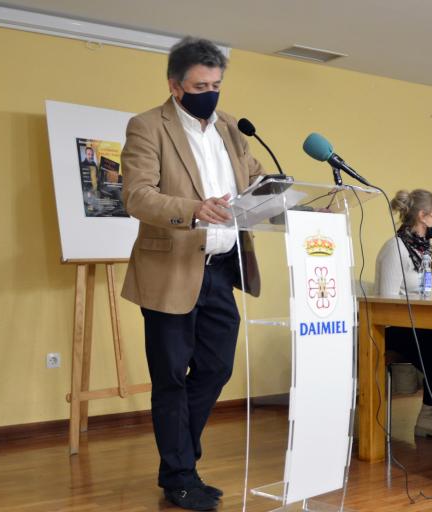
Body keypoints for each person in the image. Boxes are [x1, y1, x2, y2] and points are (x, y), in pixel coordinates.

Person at [121, 37, 265, 511]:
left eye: (216, 84)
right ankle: (181, 476)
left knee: (217, 367)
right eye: (200, 85)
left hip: (222, 269)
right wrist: (194, 208)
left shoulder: (229, 127)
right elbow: (137, 196)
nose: (210, 92)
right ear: (175, 85)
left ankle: (180, 462)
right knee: (171, 379)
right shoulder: (147, 127)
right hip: (170, 271)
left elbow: (257, 180)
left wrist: (287, 198)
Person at [374, 189, 432, 439]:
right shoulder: (395, 248)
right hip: (393, 328)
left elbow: (421, 291)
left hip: (418, 323)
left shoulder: (424, 249)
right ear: (423, 216)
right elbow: (387, 302)